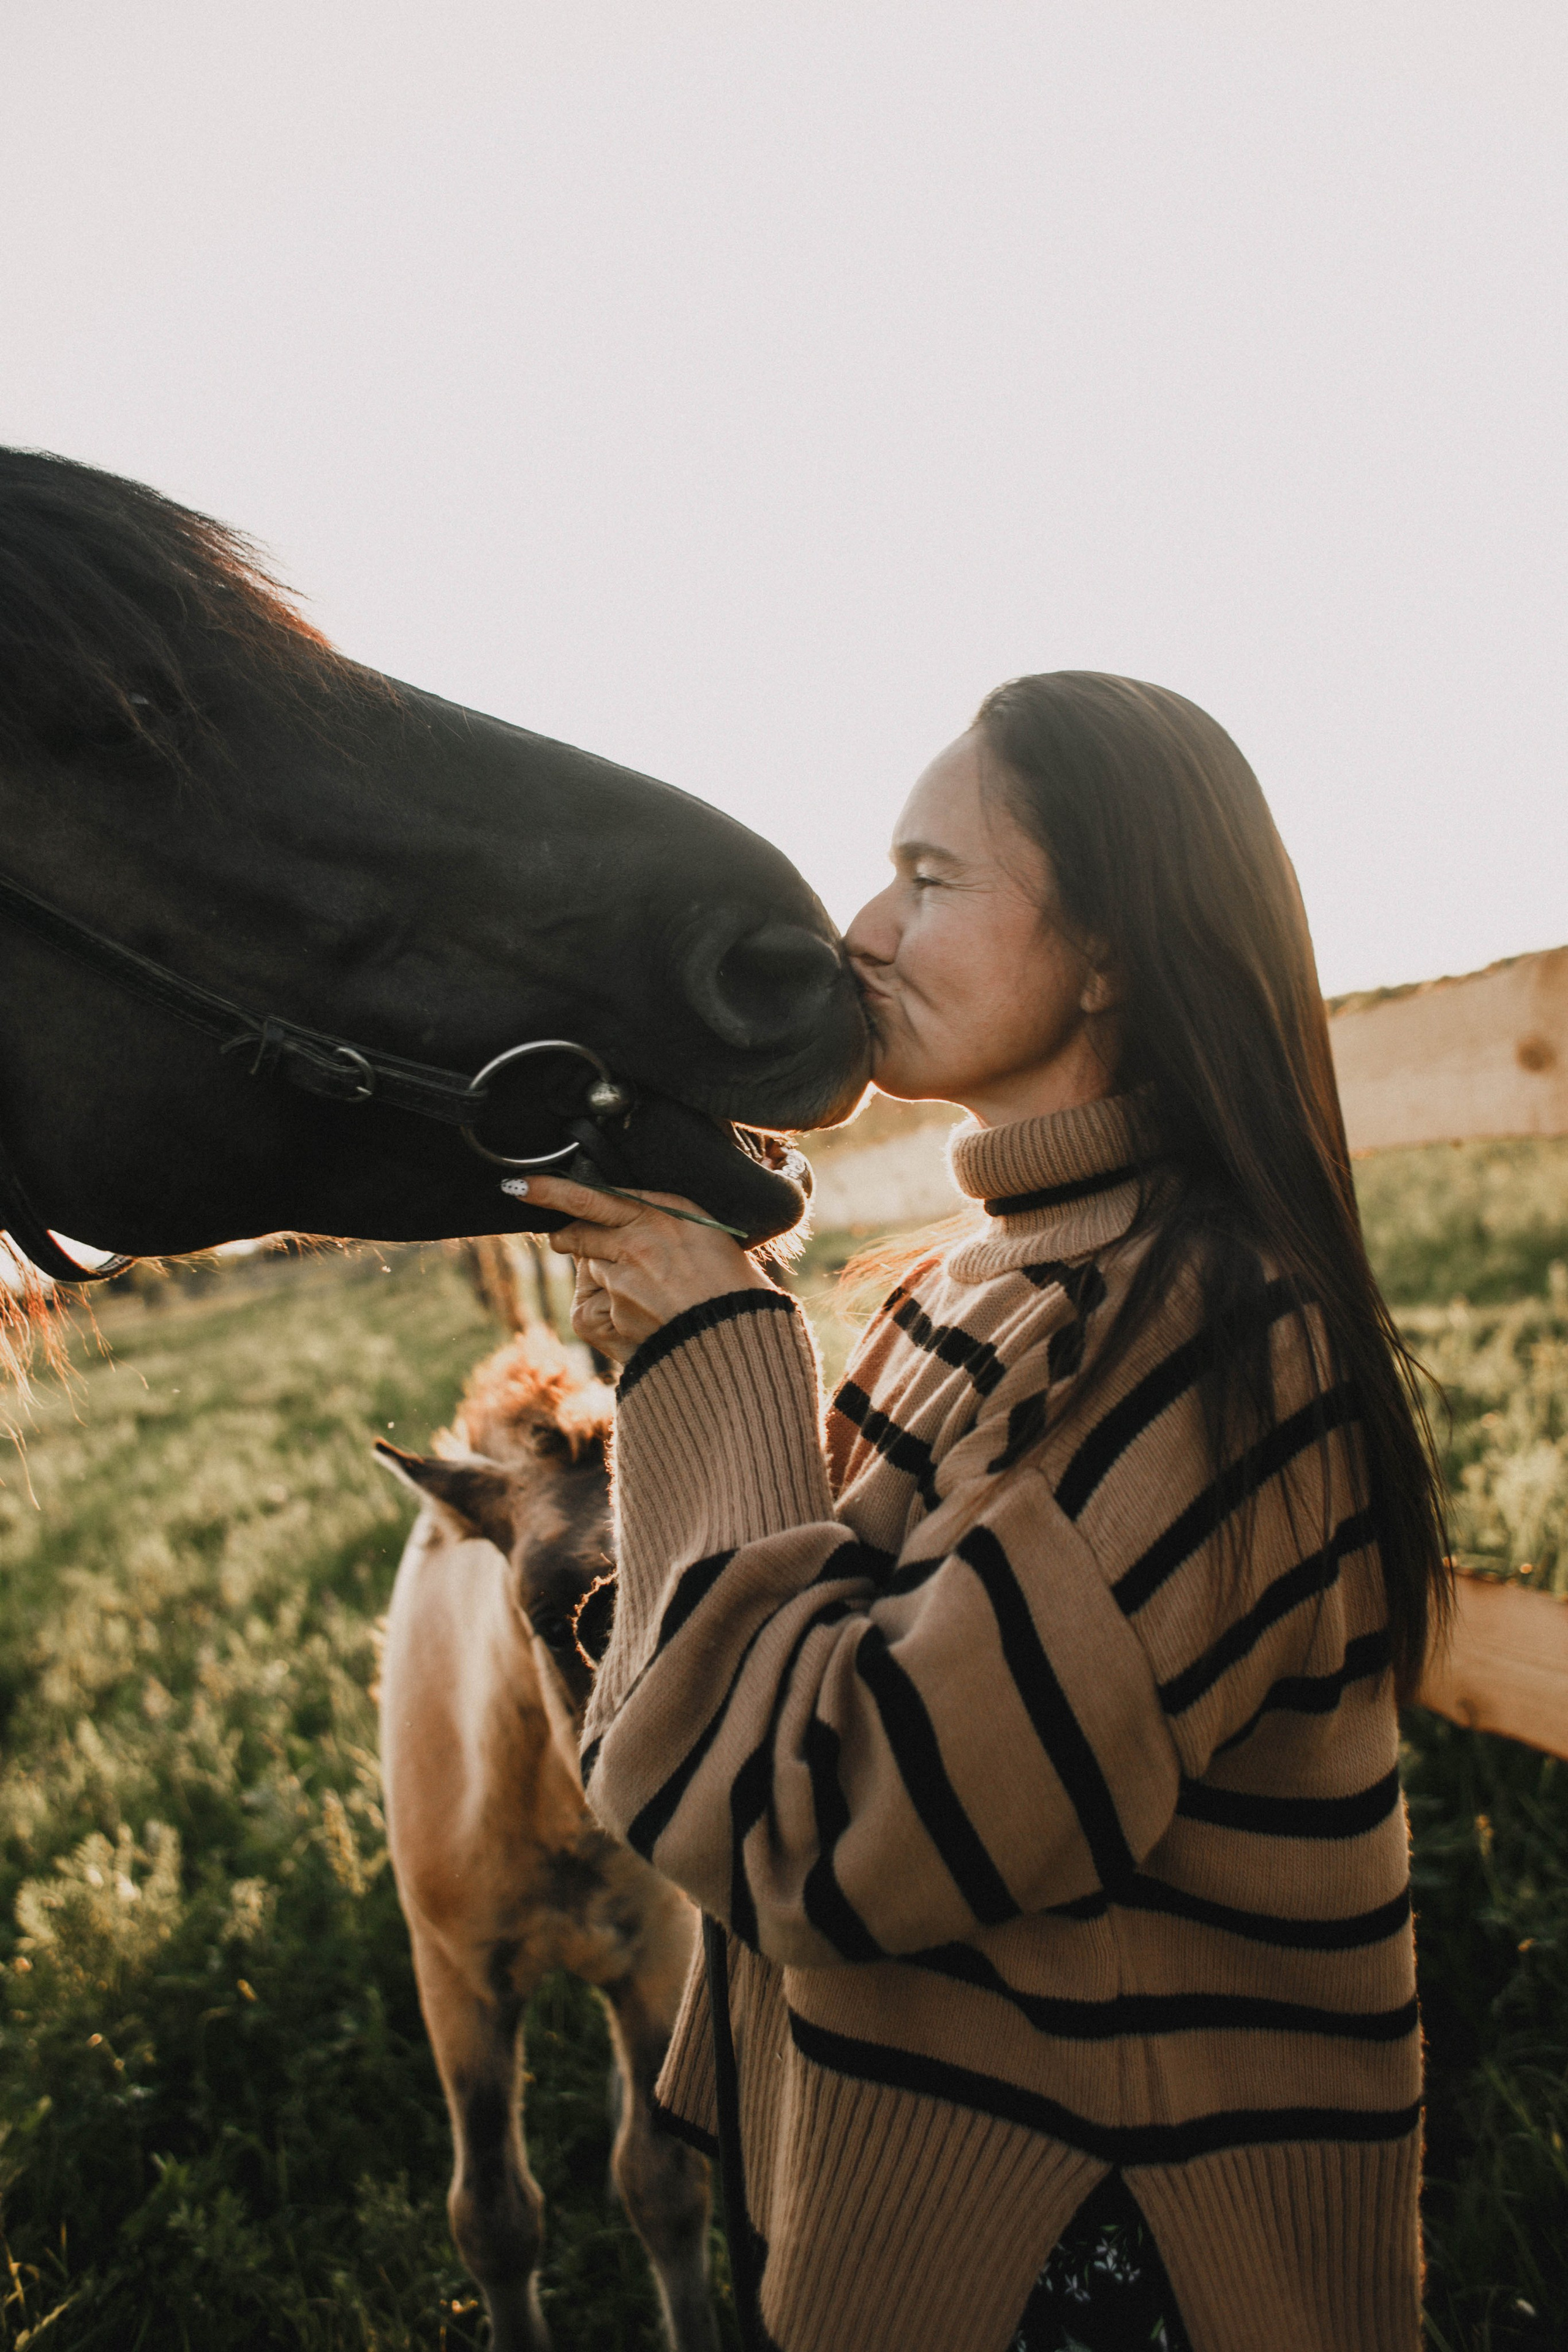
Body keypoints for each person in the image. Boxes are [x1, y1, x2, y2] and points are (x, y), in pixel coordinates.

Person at [519, 671, 1446, 2352]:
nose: (864, 930)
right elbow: (699, 1705)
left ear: (1110, 951)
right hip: (941, 2221)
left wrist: (721, 1342)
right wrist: (680, 1346)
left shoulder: (1207, 1339)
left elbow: (841, 1831)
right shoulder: (993, 1276)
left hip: (1102, 2261)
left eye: (931, 880)